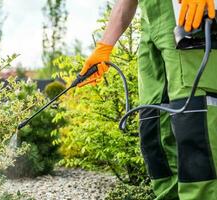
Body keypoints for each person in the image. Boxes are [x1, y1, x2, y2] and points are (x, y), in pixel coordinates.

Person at [79, 0, 217, 199]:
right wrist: (104, 46)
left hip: (187, 13)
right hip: (151, 21)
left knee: (194, 122)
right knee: (154, 125)